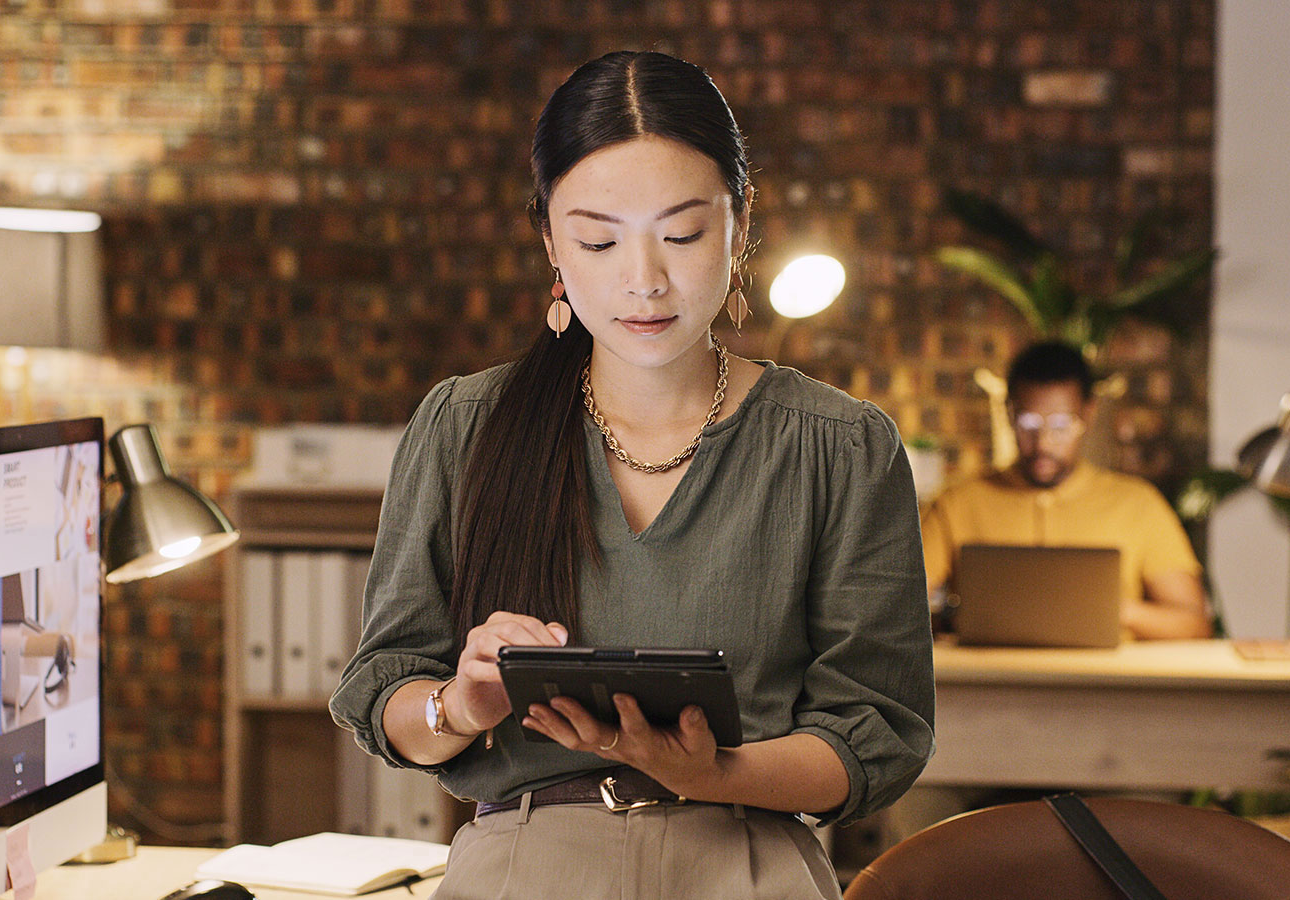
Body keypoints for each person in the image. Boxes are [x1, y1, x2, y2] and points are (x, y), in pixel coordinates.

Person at [330, 50, 934, 900]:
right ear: (550, 240)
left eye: (682, 236)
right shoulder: (465, 425)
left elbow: (876, 734)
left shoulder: (841, 447)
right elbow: (384, 694)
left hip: (747, 863)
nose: (644, 281)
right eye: (599, 240)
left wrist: (710, 772)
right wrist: (458, 706)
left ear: (741, 226)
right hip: (525, 864)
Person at [921, 341, 1213, 640]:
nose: (1043, 442)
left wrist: (1110, 609)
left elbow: (1193, 625)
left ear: (1088, 414)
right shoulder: (958, 503)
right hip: (990, 671)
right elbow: (897, 609)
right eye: (1028, 423)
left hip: (1100, 671)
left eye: (1061, 424)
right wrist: (949, 619)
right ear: (1009, 413)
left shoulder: (1138, 504)